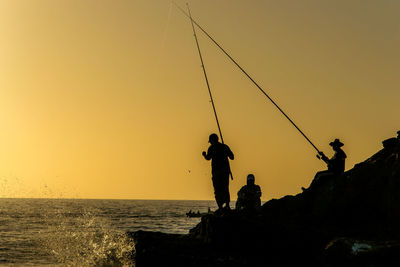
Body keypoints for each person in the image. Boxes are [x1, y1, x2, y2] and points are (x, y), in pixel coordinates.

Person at [202, 133, 234, 210]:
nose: (210, 143)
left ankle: (221, 206)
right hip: (224, 172)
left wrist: (204, 155)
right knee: (225, 188)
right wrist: (226, 151)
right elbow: (232, 157)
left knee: (217, 190)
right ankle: (226, 205)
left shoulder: (212, 148)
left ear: (213, 140)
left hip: (217, 173)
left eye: (211, 141)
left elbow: (208, 158)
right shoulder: (224, 147)